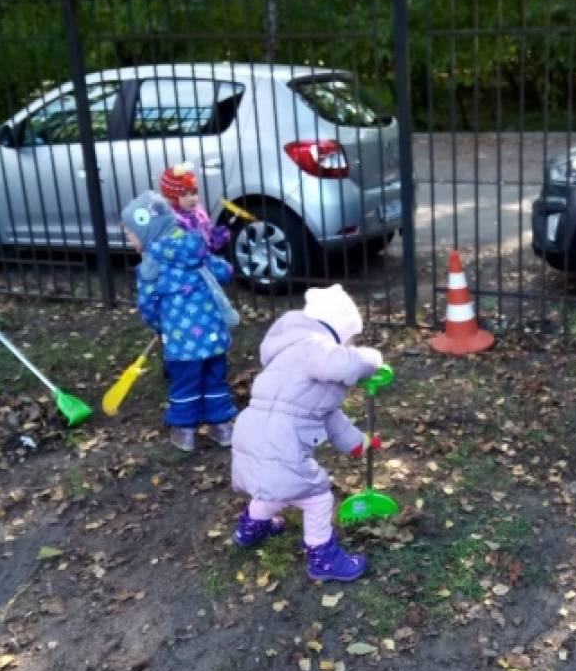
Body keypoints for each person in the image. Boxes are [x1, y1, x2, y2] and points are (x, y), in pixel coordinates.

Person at [231, 284, 383, 582]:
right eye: (350, 340)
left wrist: (357, 445)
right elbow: (342, 362)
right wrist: (369, 359)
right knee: (317, 496)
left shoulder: (289, 355)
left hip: (251, 433)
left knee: (274, 484)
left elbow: (329, 415)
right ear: (336, 330)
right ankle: (322, 556)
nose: (349, 347)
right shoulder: (315, 345)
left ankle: (250, 528)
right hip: (280, 440)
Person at [120, 191, 238, 452]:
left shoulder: (152, 264)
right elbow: (222, 271)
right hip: (212, 335)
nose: (129, 241)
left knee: (186, 383)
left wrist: (156, 326)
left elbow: (148, 303)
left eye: (130, 234)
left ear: (147, 230)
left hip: (181, 340)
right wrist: (222, 269)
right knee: (215, 378)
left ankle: (185, 431)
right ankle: (223, 428)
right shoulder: (194, 247)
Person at [159, 163, 232, 253]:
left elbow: (206, 233)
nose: (192, 198)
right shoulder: (174, 220)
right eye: (184, 194)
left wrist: (217, 236)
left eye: (194, 192)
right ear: (172, 197)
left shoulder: (197, 210)